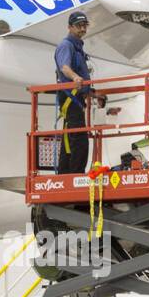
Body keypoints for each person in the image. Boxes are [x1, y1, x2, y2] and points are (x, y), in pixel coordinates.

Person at [53, 10, 95, 175]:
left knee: (70, 137)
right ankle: (76, 174)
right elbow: (64, 67)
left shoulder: (78, 47)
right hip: (70, 97)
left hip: (76, 97)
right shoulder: (66, 45)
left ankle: (65, 173)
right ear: (70, 27)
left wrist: (92, 93)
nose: (82, 29)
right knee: (79, 138)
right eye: (79, 26)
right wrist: (75, 77)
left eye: (84, 25)